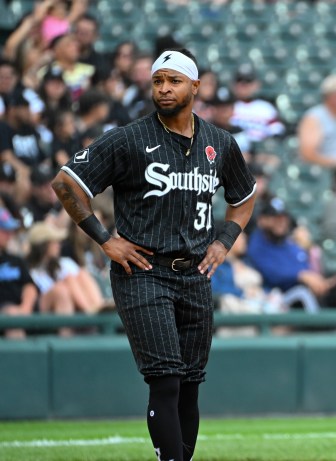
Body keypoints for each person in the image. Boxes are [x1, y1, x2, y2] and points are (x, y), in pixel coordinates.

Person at [51, 48, 256, 460]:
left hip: (195, 272)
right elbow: (66, 183)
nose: (163, 89)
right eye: (157, 81)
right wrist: (105, 238)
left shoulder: (219, 142)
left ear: (195, 87)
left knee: (190, 383)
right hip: (143, 271)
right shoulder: (129, 138)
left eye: (173, 81)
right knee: (165, 379)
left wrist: (223, 241)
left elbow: (245, 197)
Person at [0, 207, 37, 339]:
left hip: (20, 311)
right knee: (11, 316)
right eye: (5, 231)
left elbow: (30, 286)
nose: (10, 235)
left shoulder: (15, 260)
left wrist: (24, 309)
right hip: (6, 313)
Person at [230, 62, 285, 143]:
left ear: (257, 85)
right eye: (239, 80)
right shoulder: (226, 107)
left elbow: (277, 132)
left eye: (248, 80)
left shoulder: (266, 108)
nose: (243, 84)